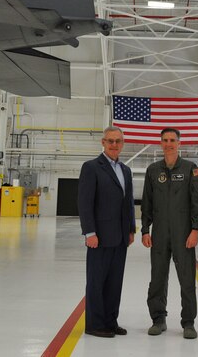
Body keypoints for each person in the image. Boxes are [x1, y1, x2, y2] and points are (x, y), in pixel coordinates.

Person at [141, 128, 198, 339]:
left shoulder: (190, 169)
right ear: (161, 143)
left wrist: (195, 230)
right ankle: (158, 319)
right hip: (159, 233)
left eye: (172, 140)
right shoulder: (153, 170)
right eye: (165, 140)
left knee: (187, 279)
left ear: (179, 143)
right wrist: (144, 230)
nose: (168, 143)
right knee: (157, 278)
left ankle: (188, 322)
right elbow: (147, 204)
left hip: (184, 234)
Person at [78, 126, 136, 338]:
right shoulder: (91, 167)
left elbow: (128, 203)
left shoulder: (125, 170)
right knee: (96, 282)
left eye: (117, 141)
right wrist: (89, 232)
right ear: (103, 142)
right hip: (99, 237)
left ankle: (110, 322)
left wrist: (130, 229)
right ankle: (94, 324)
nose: (114, 145)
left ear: (122, 143)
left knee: (114, 282)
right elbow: (85, 203)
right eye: (110, 141)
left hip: (120, 237)